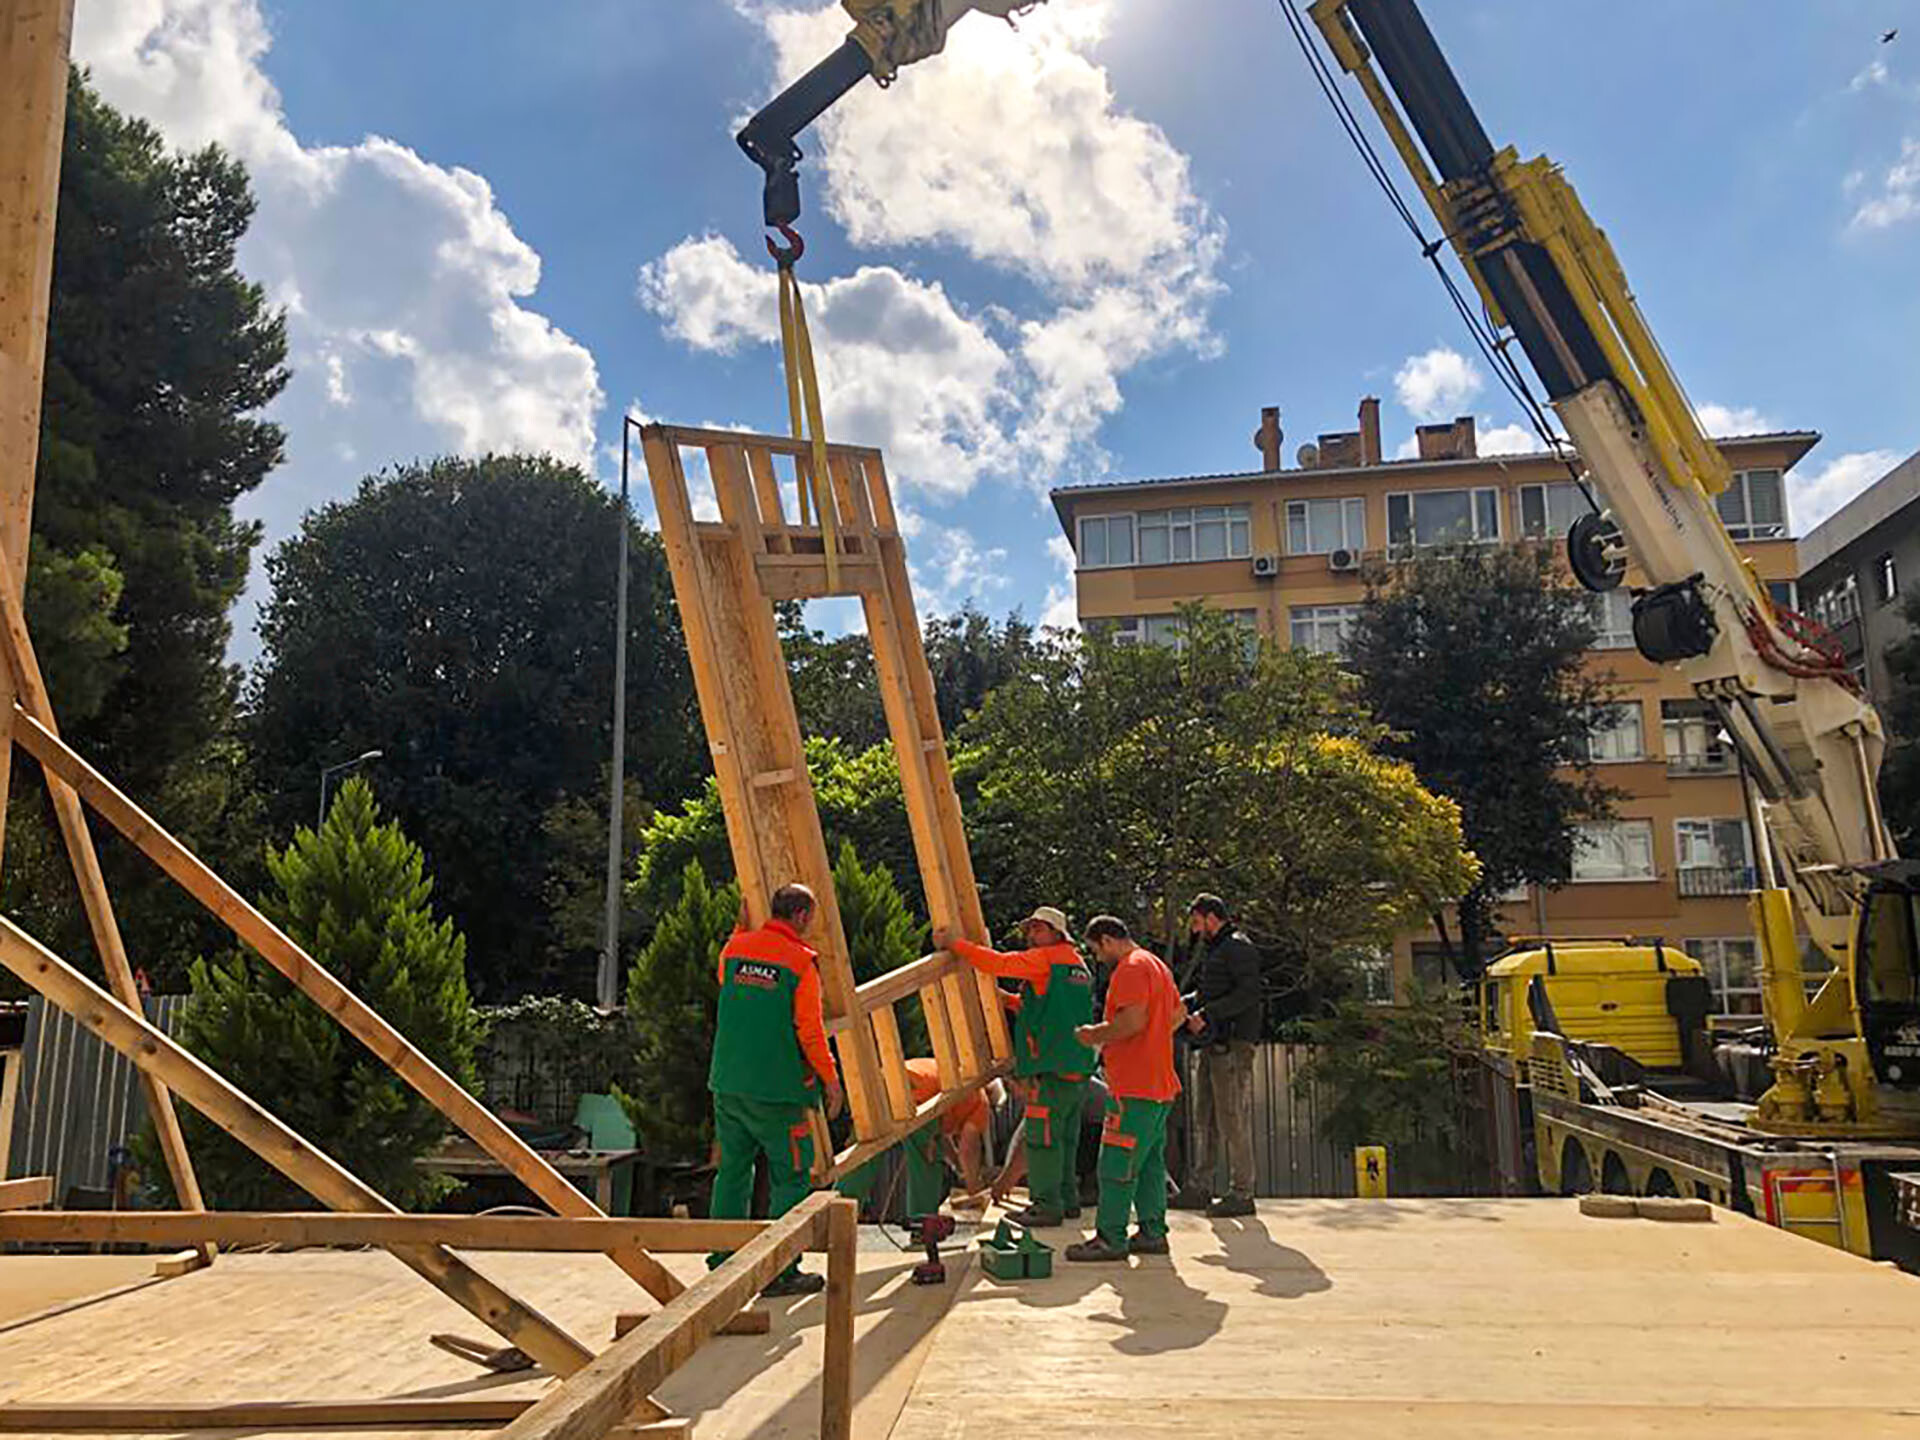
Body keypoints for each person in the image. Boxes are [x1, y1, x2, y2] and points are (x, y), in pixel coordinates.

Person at [707, 883, 843, 1297]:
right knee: (791, 1177)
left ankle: (723, 1259)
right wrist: (831, 1079)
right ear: (801, 915)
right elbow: (810, 1031)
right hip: (778, 1092)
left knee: (732, 1172)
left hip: (729, 1085)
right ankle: (780, 1270)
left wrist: (739, 928)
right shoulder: (801, 962)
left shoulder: (734, 950)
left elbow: (726, 979)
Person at [935, 906, 1095, 1227]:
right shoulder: (1077, 966)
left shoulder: (1044, 959)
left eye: (1038, 929)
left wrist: (957, 944)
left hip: (1050, 1070)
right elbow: (1051, 1010)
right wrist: (1007, 1000)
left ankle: (1046, 1206)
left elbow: (1000, 963)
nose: (1031, 936)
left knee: (1042, 1140)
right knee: (1064, 1140)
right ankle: (1067, 1201)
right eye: (1029, 930)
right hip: (1076, 1069)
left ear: (1055, 933)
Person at [1067, 915, 1186, 1263]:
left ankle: (1110, 1238)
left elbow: (1131, 1021)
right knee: (1148, 1163)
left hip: (1134, 1087)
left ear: (1107, 940)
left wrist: (1093, 1035)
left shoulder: (1131, 968)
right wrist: (1151, 1042)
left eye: (1097, 950)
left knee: (1115, 1164)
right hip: (1159, 1085)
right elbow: (1178, 1013)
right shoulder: (1157, 965)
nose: (1100, 958)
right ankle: (1152, 1233)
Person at [1174, 893, 1263, 1218]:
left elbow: (1249, 993)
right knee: (1205, 1117)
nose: (1196, 930)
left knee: (1231, 1117)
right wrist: (1186, 1003)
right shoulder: (1219, 949)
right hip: (1214, 1043)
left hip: (1233, 1044)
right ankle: (1201, 1187)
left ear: (1211, 916)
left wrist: (1207, 1013)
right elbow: (1213, 990)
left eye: (1197, 922)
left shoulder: (1238, 946)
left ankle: (1242, 1192)